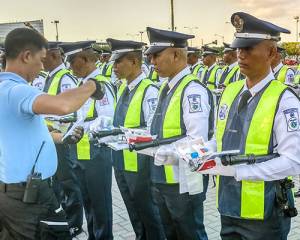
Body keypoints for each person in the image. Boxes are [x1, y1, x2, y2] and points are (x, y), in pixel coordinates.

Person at [196, 12, 299, 240]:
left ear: (271, 53)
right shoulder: (231, 91)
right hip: (228, 206)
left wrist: (239, 172)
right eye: (239, 48)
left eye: (249, 48)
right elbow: (219, 139)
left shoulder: (284, 99)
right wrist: (202, 152)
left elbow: (292, 161)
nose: (240, 55)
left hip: (264, 214)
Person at [0, 28, 105, 240]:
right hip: (29, 196)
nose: (41, 67)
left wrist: (59, 138)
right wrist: (92, 85)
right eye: (40, 59)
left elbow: (21, 134)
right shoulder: (16, 90)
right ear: (27, 56)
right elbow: (64, 105)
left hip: (14, 192)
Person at [145, 27, 214, 240]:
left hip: (183, 181)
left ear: (176, 54)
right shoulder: (167, 87)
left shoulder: (192, 90)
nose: (151, 61)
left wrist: (166, 152)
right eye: (150, 56)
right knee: (171, 233)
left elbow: (198, 141)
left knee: (190, 233)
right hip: (163, 177)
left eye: (157, 55)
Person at [108, 38, 165, 239]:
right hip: (122, 162)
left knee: (151, 216)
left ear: (133, 62)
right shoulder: (124, 87)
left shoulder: (149, 90)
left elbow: (152, 131)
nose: (113, 66)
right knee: (135, 215)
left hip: (140, 166)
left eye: (118, 62)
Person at [60, 40, 116, 240]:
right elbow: (81, 117)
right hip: (81, 154)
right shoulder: (82, 84)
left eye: (72, 62)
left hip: (96, 154)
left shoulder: (99, 84)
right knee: (89, 205)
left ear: (84, 59)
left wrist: (83, 128)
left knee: (100, 208)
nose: (69, 67)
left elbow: (107, 119)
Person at [42, 41, 84, 237]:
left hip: (64, 140)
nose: (41, 61)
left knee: (69, 183)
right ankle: (64, 219)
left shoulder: (64, 78)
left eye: (44, 57)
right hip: (53, 139)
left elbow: (71, 110)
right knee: (59, 182)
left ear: (53, 56)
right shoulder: (51, 77)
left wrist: (49, 118)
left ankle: (74, 224)